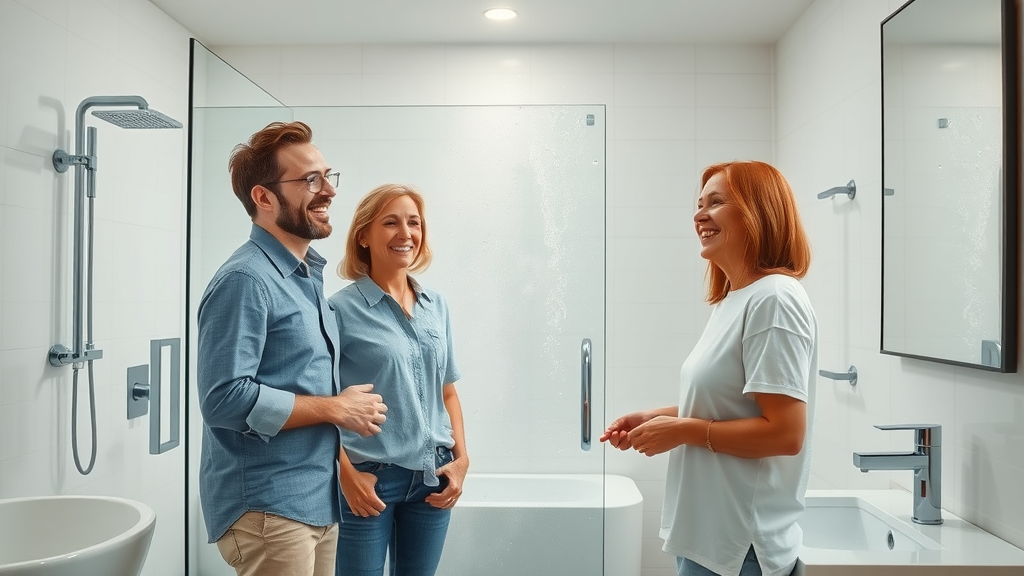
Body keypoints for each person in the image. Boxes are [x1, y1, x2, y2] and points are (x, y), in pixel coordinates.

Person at [601, 161, 817, 576]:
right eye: (699, 204)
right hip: (712, 538)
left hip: (740, 545)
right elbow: (733, 405)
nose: (699, 215)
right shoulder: (736, 301)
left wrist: (681, 431)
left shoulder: (774, 299)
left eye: (716, 203)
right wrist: (658, 417)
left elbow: (785, 433)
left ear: (759, 212)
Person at [197, 121, 389, 576]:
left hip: (313, 500)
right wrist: (335, 409)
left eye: (327, 176)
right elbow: (223, 399)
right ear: (263, 198)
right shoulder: (246, 280)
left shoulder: (304, 276)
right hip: (268, 508)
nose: (328, 191)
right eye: (310, 180)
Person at [328, 183, 468, 576]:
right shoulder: (339, 310)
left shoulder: (435, 304)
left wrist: (462, 460)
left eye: (414, 222)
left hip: (434, 477)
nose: (405, 233)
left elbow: (448, 392)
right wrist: (345, 473)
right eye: (390, 222)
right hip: (370, 479)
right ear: (363, 236)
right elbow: (322, 403)